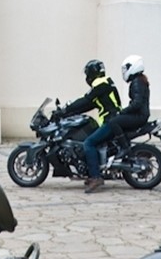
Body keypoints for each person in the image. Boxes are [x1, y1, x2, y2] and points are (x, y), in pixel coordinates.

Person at [80, 55, 151, 193]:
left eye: (126, 68)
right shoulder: (138, 81)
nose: (124, 71)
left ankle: (96, 176)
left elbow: (137, 103)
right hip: (140, 116)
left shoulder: (137, 82)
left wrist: (123, 112)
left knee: (89, 142)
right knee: (113, 122)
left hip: (139, 116)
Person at [52, 59, 122, 193]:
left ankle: (96, 177)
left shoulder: (100, 83)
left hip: (111, 121)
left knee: (88, 143)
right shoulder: (105, 83)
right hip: (113, 120)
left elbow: (85, 99)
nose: (87, 77)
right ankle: (92, 171)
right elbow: (89, 104)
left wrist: (65, 109)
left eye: (87, 74)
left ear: (92, 73)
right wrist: (70, 113)